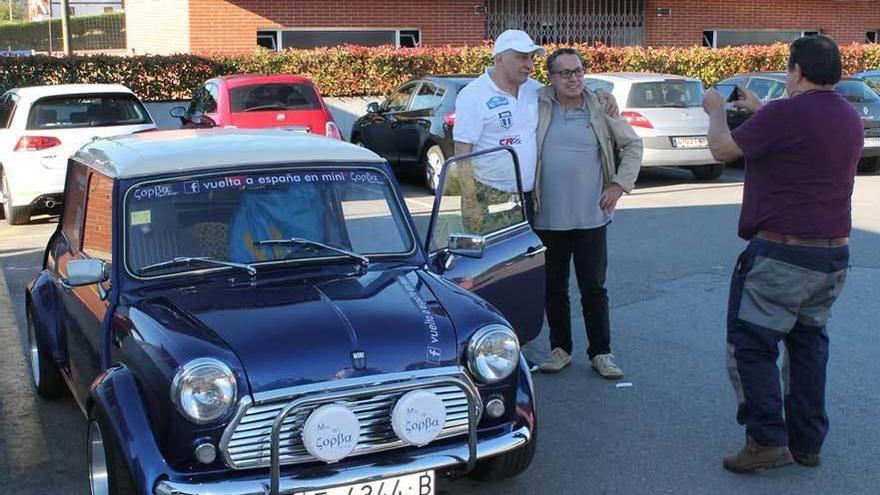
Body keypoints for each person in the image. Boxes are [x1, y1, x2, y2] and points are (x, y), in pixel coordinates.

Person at [702, 35, 862, 473]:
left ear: (795, 71)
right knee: (809, 346)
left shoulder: (788, 113)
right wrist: (760, 111)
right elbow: (801, 137)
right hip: (833, 257)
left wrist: (717, 111)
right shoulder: (847, 116)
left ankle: (766, 440)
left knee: (751, 345)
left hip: (782, 255)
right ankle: (807, 443)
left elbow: (721, 149)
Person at [533, 48, 642, 379]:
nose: (574, 78)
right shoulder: (536, 104)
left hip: (591, 218)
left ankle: (601, 353)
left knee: (594, 288)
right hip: (547, 218)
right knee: (554, 288)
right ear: (550, 78)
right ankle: (560, 349)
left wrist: (618, 185)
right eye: (565, 73)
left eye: (578, 71)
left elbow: (633, 145)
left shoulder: (598, 106)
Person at [453, 30, 617, 233]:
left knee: (527, 263)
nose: (529, 65)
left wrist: (602, 95)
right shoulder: (473, 95)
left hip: (529, 197)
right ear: (499, 59)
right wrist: (471, 203)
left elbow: (572, 88)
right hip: (488, 196)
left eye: (531, 58)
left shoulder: (534, 90)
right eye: (522, 58)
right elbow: (462, 152)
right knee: (494, 263)